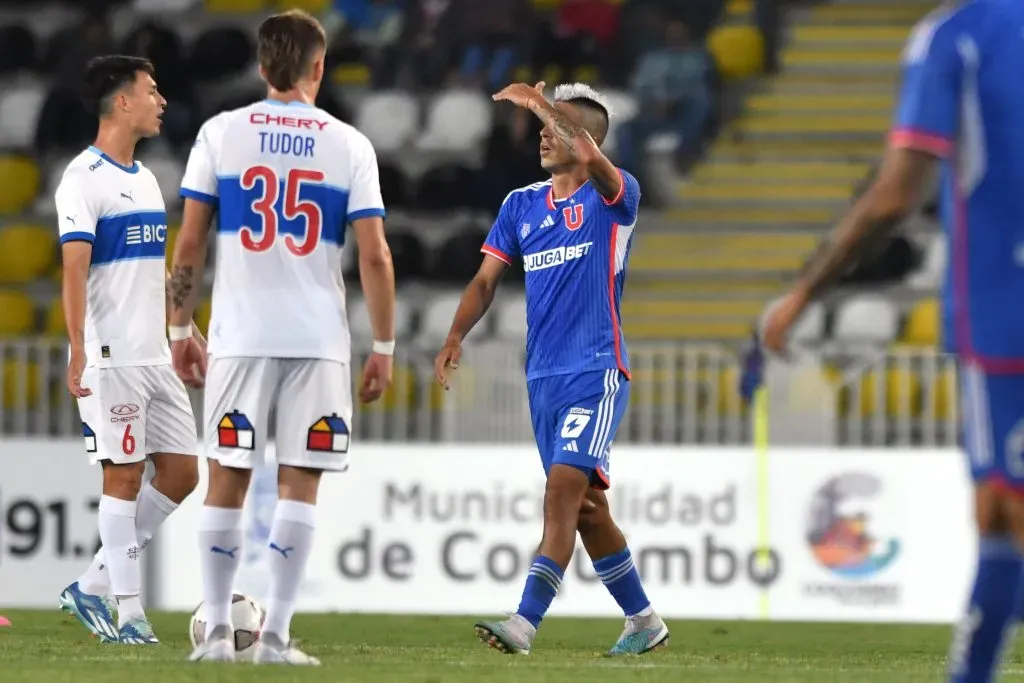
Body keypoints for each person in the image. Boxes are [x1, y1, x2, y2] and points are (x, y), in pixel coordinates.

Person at [762, 4, 1024, 682]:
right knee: (998, 509)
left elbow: (895, 194)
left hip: (1005, 309)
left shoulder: (955, 37)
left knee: (1009, 508)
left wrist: (804, 290)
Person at [169, 9, 395, 665]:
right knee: (301, 484)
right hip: (317, 338)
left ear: (263, 67)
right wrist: (381, 345)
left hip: (238, 335)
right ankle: (274, 637)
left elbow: (189, 242)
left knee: (227, 478)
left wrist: (179, 326)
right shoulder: (348, 144)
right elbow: (375, 256)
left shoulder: (220, 134)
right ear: (317, 68)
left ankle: (215, 634)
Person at [434, 80, 669, 656]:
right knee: (587, 508)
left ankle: (525, 622)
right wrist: (455, 335)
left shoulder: (616, 197)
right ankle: (643, 621)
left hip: (596, 369)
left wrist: (541, 103)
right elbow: (486, 280)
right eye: (542, 125)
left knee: (562, 491)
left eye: (555, 126)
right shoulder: (521, 204)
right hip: (542, 376)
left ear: (584, 137)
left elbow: (591, 157)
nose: (543, 134)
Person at [54, 55, 204, 645]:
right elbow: (73, 272)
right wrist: (77, 349)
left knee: (182, 473)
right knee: (121, 475)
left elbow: (160, 273)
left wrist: (188, 331)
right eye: (151, 90)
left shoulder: (145, 178)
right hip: (111, 354)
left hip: (153, 355)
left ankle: (91, 583)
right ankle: (129, 613)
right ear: (122, 102)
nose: (161, 100)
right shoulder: (82, 180)